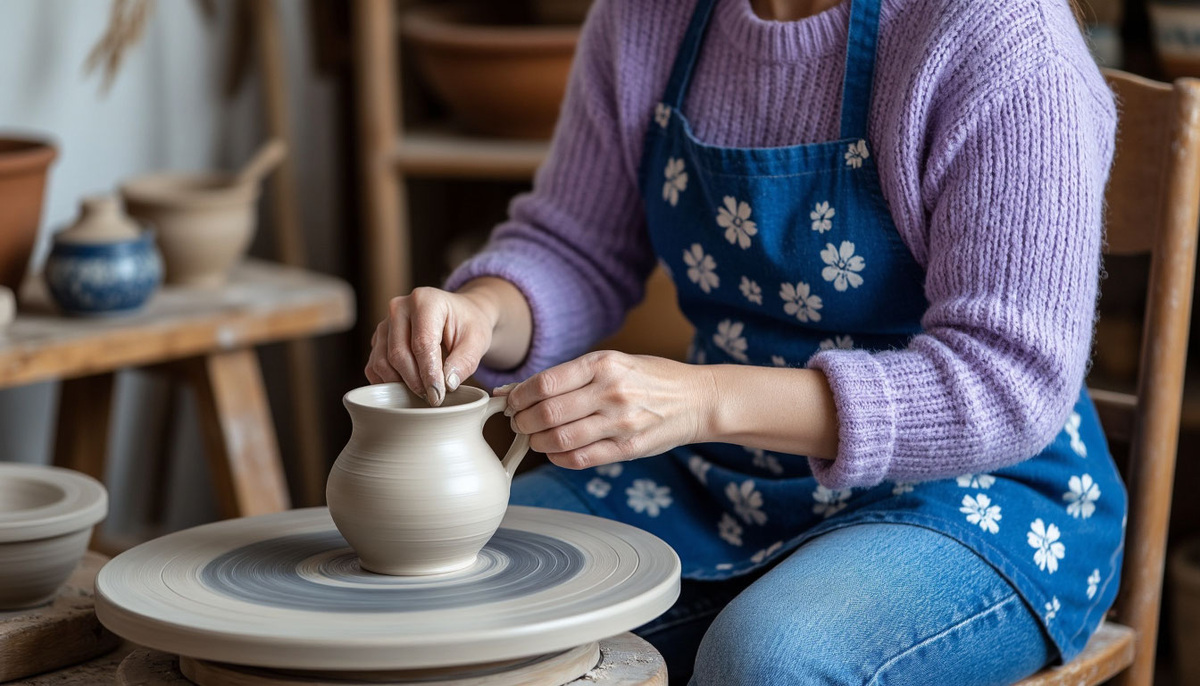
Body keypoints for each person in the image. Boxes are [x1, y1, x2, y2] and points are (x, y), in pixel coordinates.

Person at [365, 0, 1124, 683]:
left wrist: (705, 400)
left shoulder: (997, 33)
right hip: (720, 482)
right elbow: (577, 247)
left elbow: (1008, 380)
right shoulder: (647, 18)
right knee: (459, 597)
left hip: (976, 499)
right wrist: (482, 313)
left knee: (766, 658)